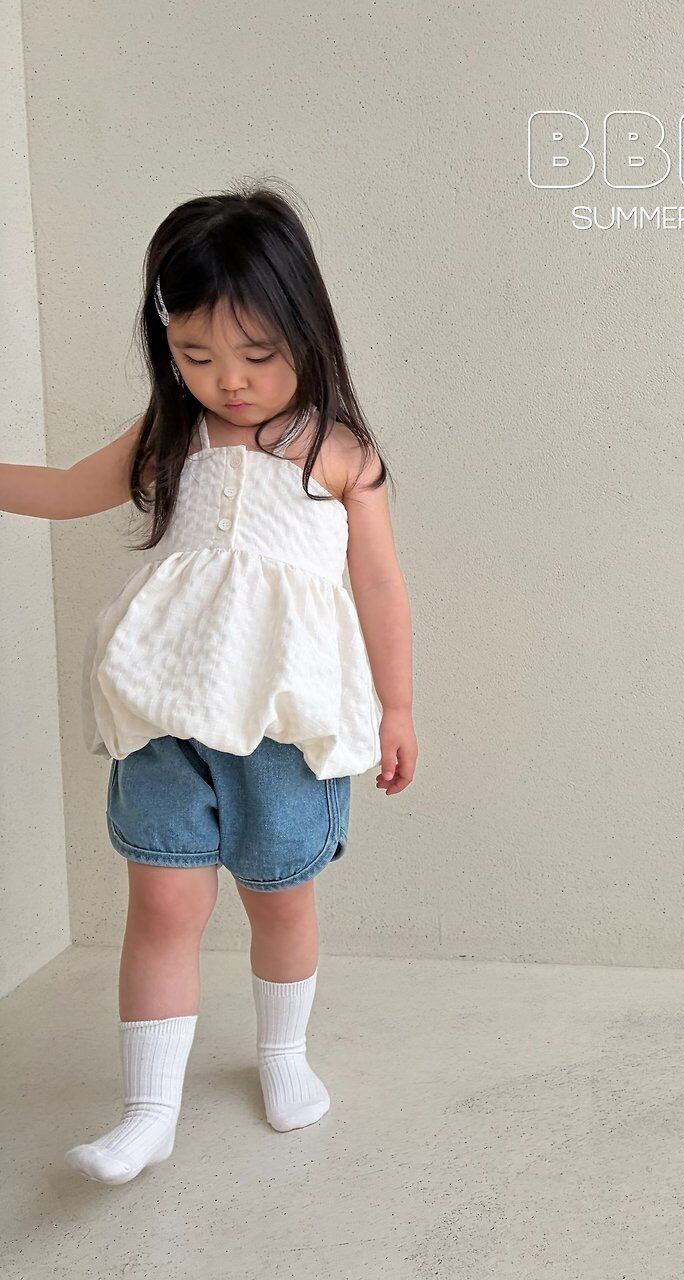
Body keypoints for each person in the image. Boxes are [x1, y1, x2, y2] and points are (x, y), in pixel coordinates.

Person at [0, 181, 417, 1184]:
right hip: (164, 712)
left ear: (306, 332)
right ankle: (147, 1112)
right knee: (162, 902)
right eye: (195, 355)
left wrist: (397, 705)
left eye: (256, 354)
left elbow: (379, 587)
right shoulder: (169, 437)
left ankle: (282, 1053)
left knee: (279, 900)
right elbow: (64, 489)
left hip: (284, 723)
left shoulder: (338, 456)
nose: (227, 380)